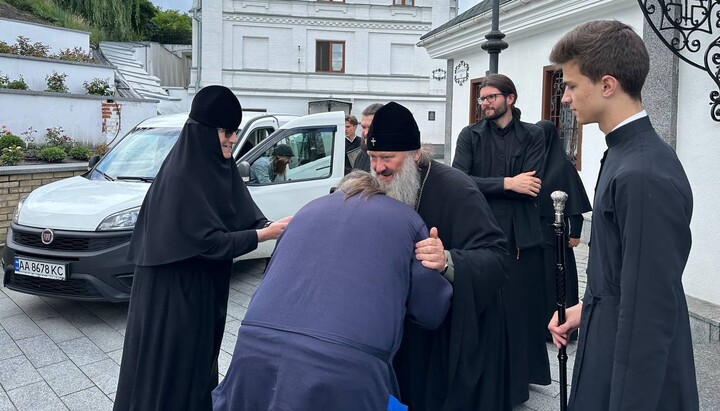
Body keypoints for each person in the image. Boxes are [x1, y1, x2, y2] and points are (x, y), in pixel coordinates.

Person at [547, 20, 699, 410]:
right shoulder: (624, 153)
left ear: (607, 85)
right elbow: (622, 273)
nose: (564, 97)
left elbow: (649, 309)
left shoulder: (642, 172)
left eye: (571, 84)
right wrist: (587, 309)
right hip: (608, 340)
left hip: (632, 372)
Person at [212, 171, 453, 411]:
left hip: (254, 346)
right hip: (346, 364)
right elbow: (429, 311)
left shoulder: (307, 210)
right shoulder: (407, 219)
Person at [114, 85, 289, 411]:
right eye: (227, 131)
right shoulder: (182, 176)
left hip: (201, 292)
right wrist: (265, 236)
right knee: (174, 369)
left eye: (235, 131)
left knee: (199, 366)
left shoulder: (217, 167)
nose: (233, 139)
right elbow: (206, 243)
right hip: (174, 297)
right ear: (204, 132)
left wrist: (276, 226)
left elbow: (243, 214)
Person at [367, 101, 510, 410]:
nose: (379, 168)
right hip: (401, 328)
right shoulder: (378, 185)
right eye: (373, 157)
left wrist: (447, 260)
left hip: (448, 335)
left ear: (416, 154)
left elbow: (497, 256)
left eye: (388, 158)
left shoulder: (458, 188)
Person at [452, 74, 551, 404]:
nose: (485, 103)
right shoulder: (470, 135)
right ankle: (480, 381)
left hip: (519, 238)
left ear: (510, 98)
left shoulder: (533, 135)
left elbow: (532, 186)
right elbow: (460, 181)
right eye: (482, 98)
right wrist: (508, 184)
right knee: (482, 307)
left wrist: (489, 185)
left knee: (516, 311)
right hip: (477, 234)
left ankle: (515, 384)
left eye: (491, 97)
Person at [536, 120, 591, 341]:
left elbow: (574, 204)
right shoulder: (532, 164)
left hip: (553, 235)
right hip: (538, 235)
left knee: (557, 278)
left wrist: (575, 233)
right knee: (542, 280)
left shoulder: (563, 167)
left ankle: (563, 324)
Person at [351, 103, 383, 172]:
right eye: (363, 127)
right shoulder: (361, 156)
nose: (365, 133)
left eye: (371, 128)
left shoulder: (392, 162)